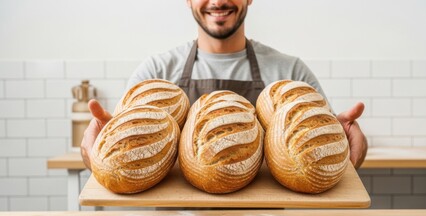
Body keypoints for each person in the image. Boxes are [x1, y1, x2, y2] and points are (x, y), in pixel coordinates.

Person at [81, 0, 368, 170]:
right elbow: (115, 158)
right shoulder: (155, 75)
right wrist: (93, 150)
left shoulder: (290, 73)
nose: (218, 0)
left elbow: (328, 151)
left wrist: (350, 143)